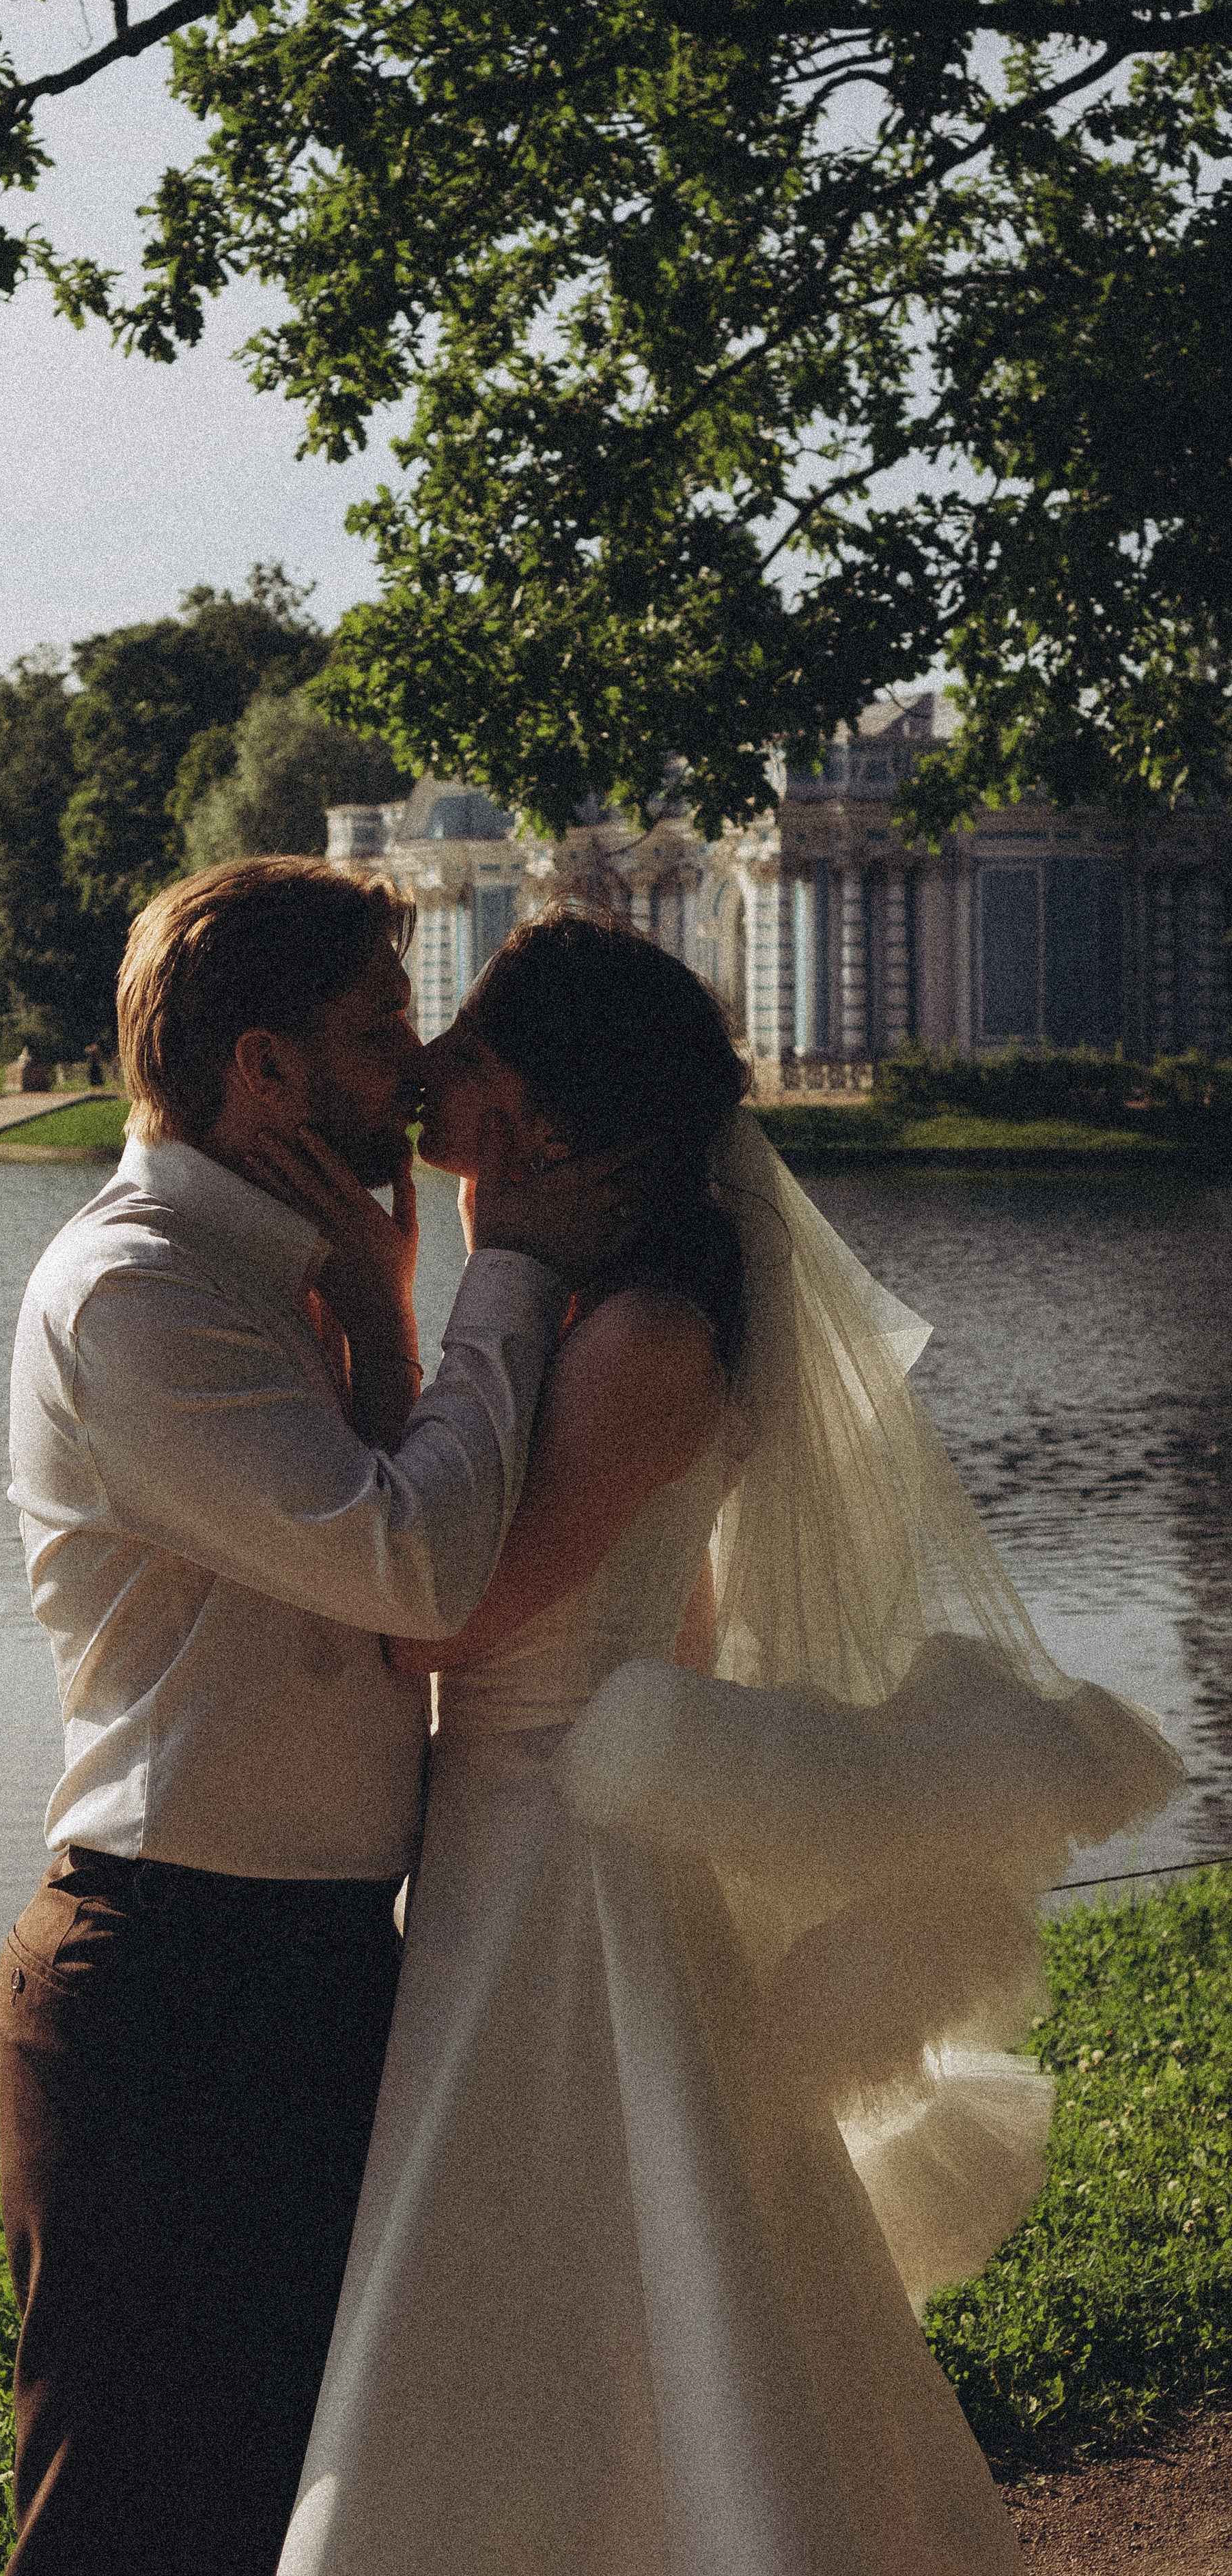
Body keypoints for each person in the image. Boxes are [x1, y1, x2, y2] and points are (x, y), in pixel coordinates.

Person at [275, 906, 1184, 2576]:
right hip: (525, 1829)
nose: (421, 1071)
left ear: (538, 1111)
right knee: (571, 2248)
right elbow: (672, 1623)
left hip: (556, 1858)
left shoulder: (636, 1339)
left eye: (460, 1046)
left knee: (588, 2239)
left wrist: (416, 1301)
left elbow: (428, 1623)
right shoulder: (601, 1314)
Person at [0, 859, 645, 2576]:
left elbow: (386, 1567)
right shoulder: (136, 1294)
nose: (417, 1066)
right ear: (263, 1068)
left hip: (308, 1964)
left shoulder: (282, 1274)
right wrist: (503, 1273)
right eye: (377, 1028)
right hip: (171, 1981)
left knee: (297, 2498)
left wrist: (374, 1310)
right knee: (128, 2527)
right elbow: (415, 1570)